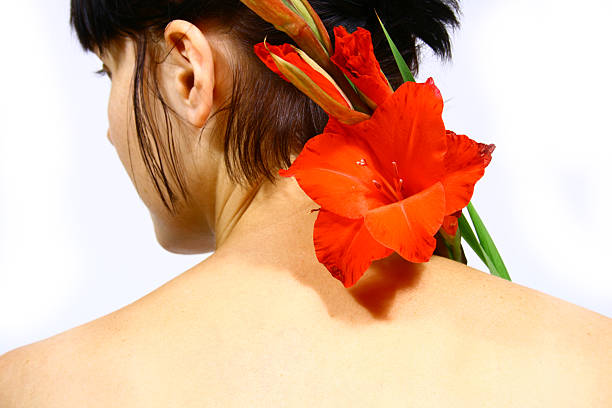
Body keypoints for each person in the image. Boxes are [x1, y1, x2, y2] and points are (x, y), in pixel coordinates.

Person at [0, 0, 610, 406]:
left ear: (187, 72)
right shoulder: (590, 362)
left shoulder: (38, 388)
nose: (110, 130)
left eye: (109, 72)